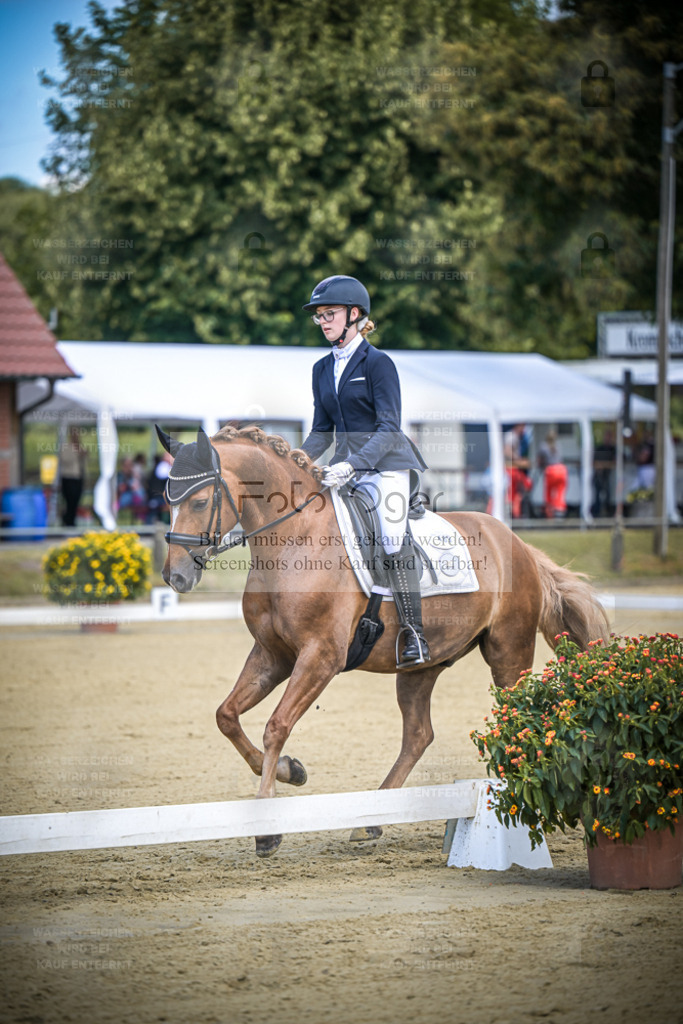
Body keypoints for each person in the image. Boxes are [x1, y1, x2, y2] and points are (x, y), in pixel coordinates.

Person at [299, 274, 430, 666]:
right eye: (319, 316)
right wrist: (296, 463)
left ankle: (414, 634)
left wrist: (351, 464)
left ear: (354, 315)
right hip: (346, 470)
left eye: (330, 314)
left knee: (390, 534)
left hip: (387, 466)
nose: (323, 321)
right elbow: (322, 431)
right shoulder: (322, 368)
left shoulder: (378, 364)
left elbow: (389, 429)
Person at [59, 426, 87, 527]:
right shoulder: (66, 447)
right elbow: (65, 460)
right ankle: (68, 520)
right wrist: (77, 453)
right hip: (68, 477)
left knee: (76, 500)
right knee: (69, 500)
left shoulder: (80, 446)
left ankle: (72, 520)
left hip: (78, 477)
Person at [537, 429, 568, 518]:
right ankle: (560, 513)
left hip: (551, 471)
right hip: (562, 470)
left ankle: (549, 514)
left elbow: (540, 460)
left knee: (548, 494)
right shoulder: (558, 445)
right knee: (560, 493)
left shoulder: (543, 446)